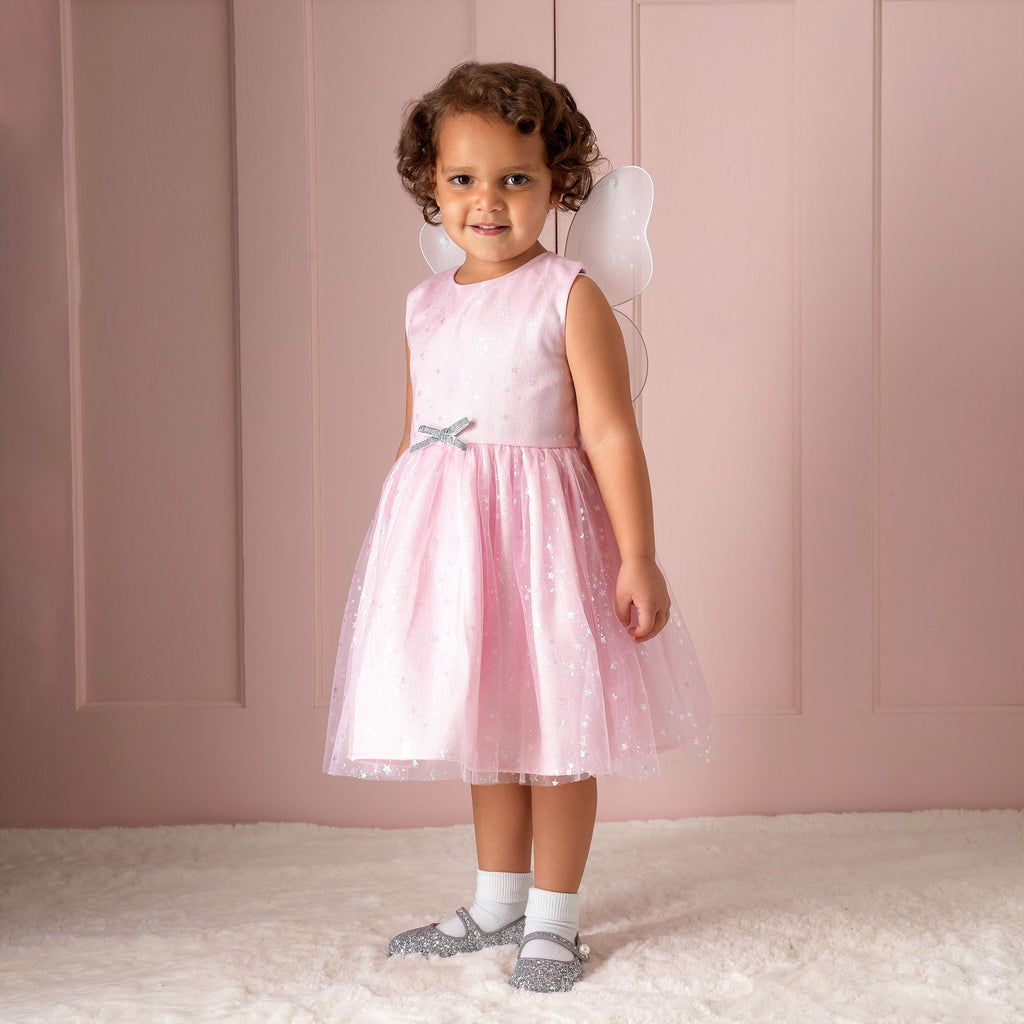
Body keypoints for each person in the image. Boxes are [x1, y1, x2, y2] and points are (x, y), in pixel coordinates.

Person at [323, 61, 712, 993]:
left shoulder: (567, 294)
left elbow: (610, 434)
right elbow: (416, 437)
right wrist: (404, 553)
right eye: (463, 179)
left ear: (557, 182)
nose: (487, 201)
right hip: (455, 550)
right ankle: (497, 901)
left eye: (515, 179)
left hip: (546, 548)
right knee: (486, 724)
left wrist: (639, 556)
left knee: (557, 732)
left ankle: (554, 921)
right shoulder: (423, 304)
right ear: (430, 184)